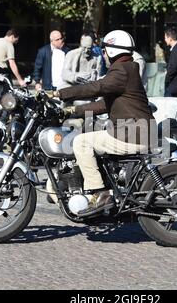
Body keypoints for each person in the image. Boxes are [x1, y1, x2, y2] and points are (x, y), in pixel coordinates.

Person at [50, 30, 156, 216]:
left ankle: (100, 194)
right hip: (138, 131)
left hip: (133, 133)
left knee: (81, 142)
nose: (104, 54)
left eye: (105, 50)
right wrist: (72, 110)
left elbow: (96, 87)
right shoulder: (128, 69)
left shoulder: (121, 70)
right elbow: (105, 104)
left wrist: (60, 93)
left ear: (114, 50)